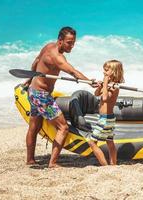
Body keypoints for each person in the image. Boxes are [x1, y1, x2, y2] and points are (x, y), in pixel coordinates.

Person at [24, 27, 93, 168]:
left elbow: (36, 62)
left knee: (34, 127)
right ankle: (53, 163)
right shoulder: (58, 57)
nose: (72, 46)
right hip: (42, 96)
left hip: (33, 92)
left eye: (73, 42)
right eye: (69, 42)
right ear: (60, 41)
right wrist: (91, 82)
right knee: (63, 127)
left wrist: (30, 79)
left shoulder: (48, 46)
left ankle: (30, 159)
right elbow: (73, 72)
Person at [87, 60, 124, 166]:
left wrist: (106, 82)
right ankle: (113, 164)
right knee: (109, 142)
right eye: (104, 70)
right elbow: (97, 94)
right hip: (106, 118)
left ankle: (105, 166)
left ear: (114, 71)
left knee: (92, 142)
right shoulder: (108, 85)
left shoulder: (115, 87)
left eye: (107, 70)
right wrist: (100, 86)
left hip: (106, 119)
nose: (104, 72)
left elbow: (105, 98)